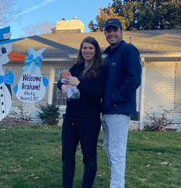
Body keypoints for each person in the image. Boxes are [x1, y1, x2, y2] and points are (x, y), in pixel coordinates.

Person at [57, 36, 106, 188]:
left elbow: (97, 95)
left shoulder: (101, 70)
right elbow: (63, 80)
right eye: (85, 48)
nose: (87, 51)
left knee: (89, 159)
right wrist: (62, 86)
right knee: (67, 157)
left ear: (96, 51)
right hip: (71, 118)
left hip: (89, 120)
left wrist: (79, 83)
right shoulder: (76, 67)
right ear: (81, 50)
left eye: (91, 48)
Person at [101, 18, 142, 188]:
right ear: (105, 33)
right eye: (108, 31)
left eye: (114, 30)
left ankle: (117, 185)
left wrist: (115, 98)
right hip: (106, 110)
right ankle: (116, 182)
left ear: (121, 32)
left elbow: (134, 79)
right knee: (108, 149)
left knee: (116, 152)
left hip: (118, 110)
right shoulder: (108, 56)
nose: (111, 33)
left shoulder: (128, 50)